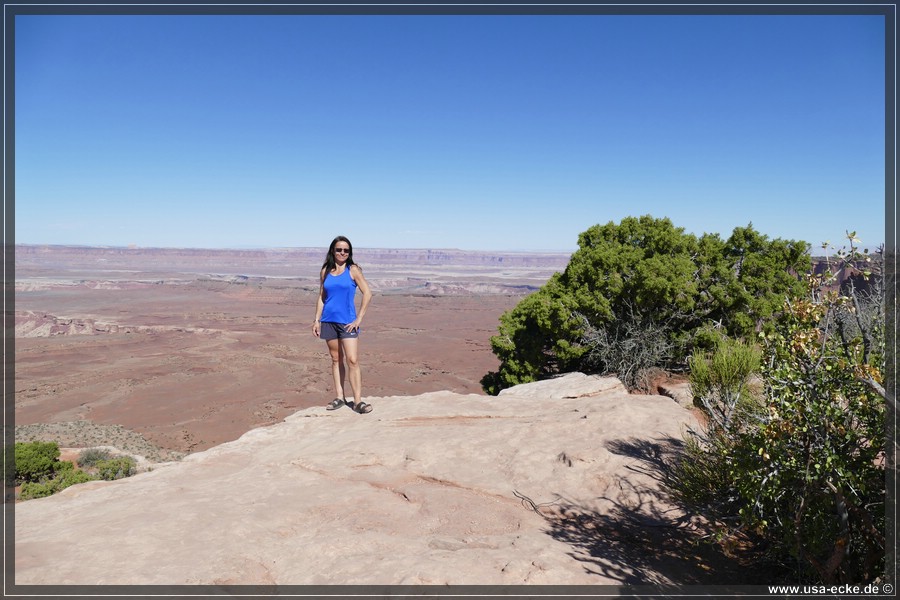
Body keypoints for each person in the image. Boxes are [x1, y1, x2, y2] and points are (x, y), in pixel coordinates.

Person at [312, 235, 374, 413]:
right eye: (339, 249)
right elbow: (322, 297)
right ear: (333, 250)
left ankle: (358, 401)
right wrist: (316, 320)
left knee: (352, 360)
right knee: (335, 359)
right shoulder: (326, 271)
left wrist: (359, 318)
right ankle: (340, 397)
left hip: (347, 322)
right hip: (328, 321)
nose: (342, 253)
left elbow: (367, 293)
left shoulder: (353, 270)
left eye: (346, 250)